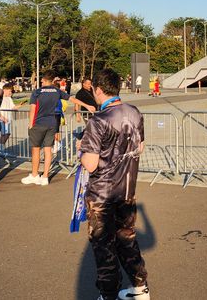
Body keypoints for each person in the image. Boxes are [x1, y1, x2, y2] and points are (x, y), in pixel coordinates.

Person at [79, 68, 150, 300]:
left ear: (99, 90)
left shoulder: (99, 120)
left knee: (104, 246)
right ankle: (140, 288)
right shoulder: (135, 112)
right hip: (127, 190)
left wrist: (82, 150)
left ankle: (108, 294)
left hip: (102, 194)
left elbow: (90, 164)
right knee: (127, 239)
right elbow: (140, 147)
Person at [22, 71, 95, 186]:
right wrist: (86, 106)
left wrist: (30, 124)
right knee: (48, 149)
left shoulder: (37, 92)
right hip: (52, 123)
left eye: (42, 80)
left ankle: (35, 174)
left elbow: (32, 109)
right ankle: (45, 176)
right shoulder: (57, 91)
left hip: (38, 123)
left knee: (35, 149)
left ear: (44, 80)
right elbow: (72, 99)